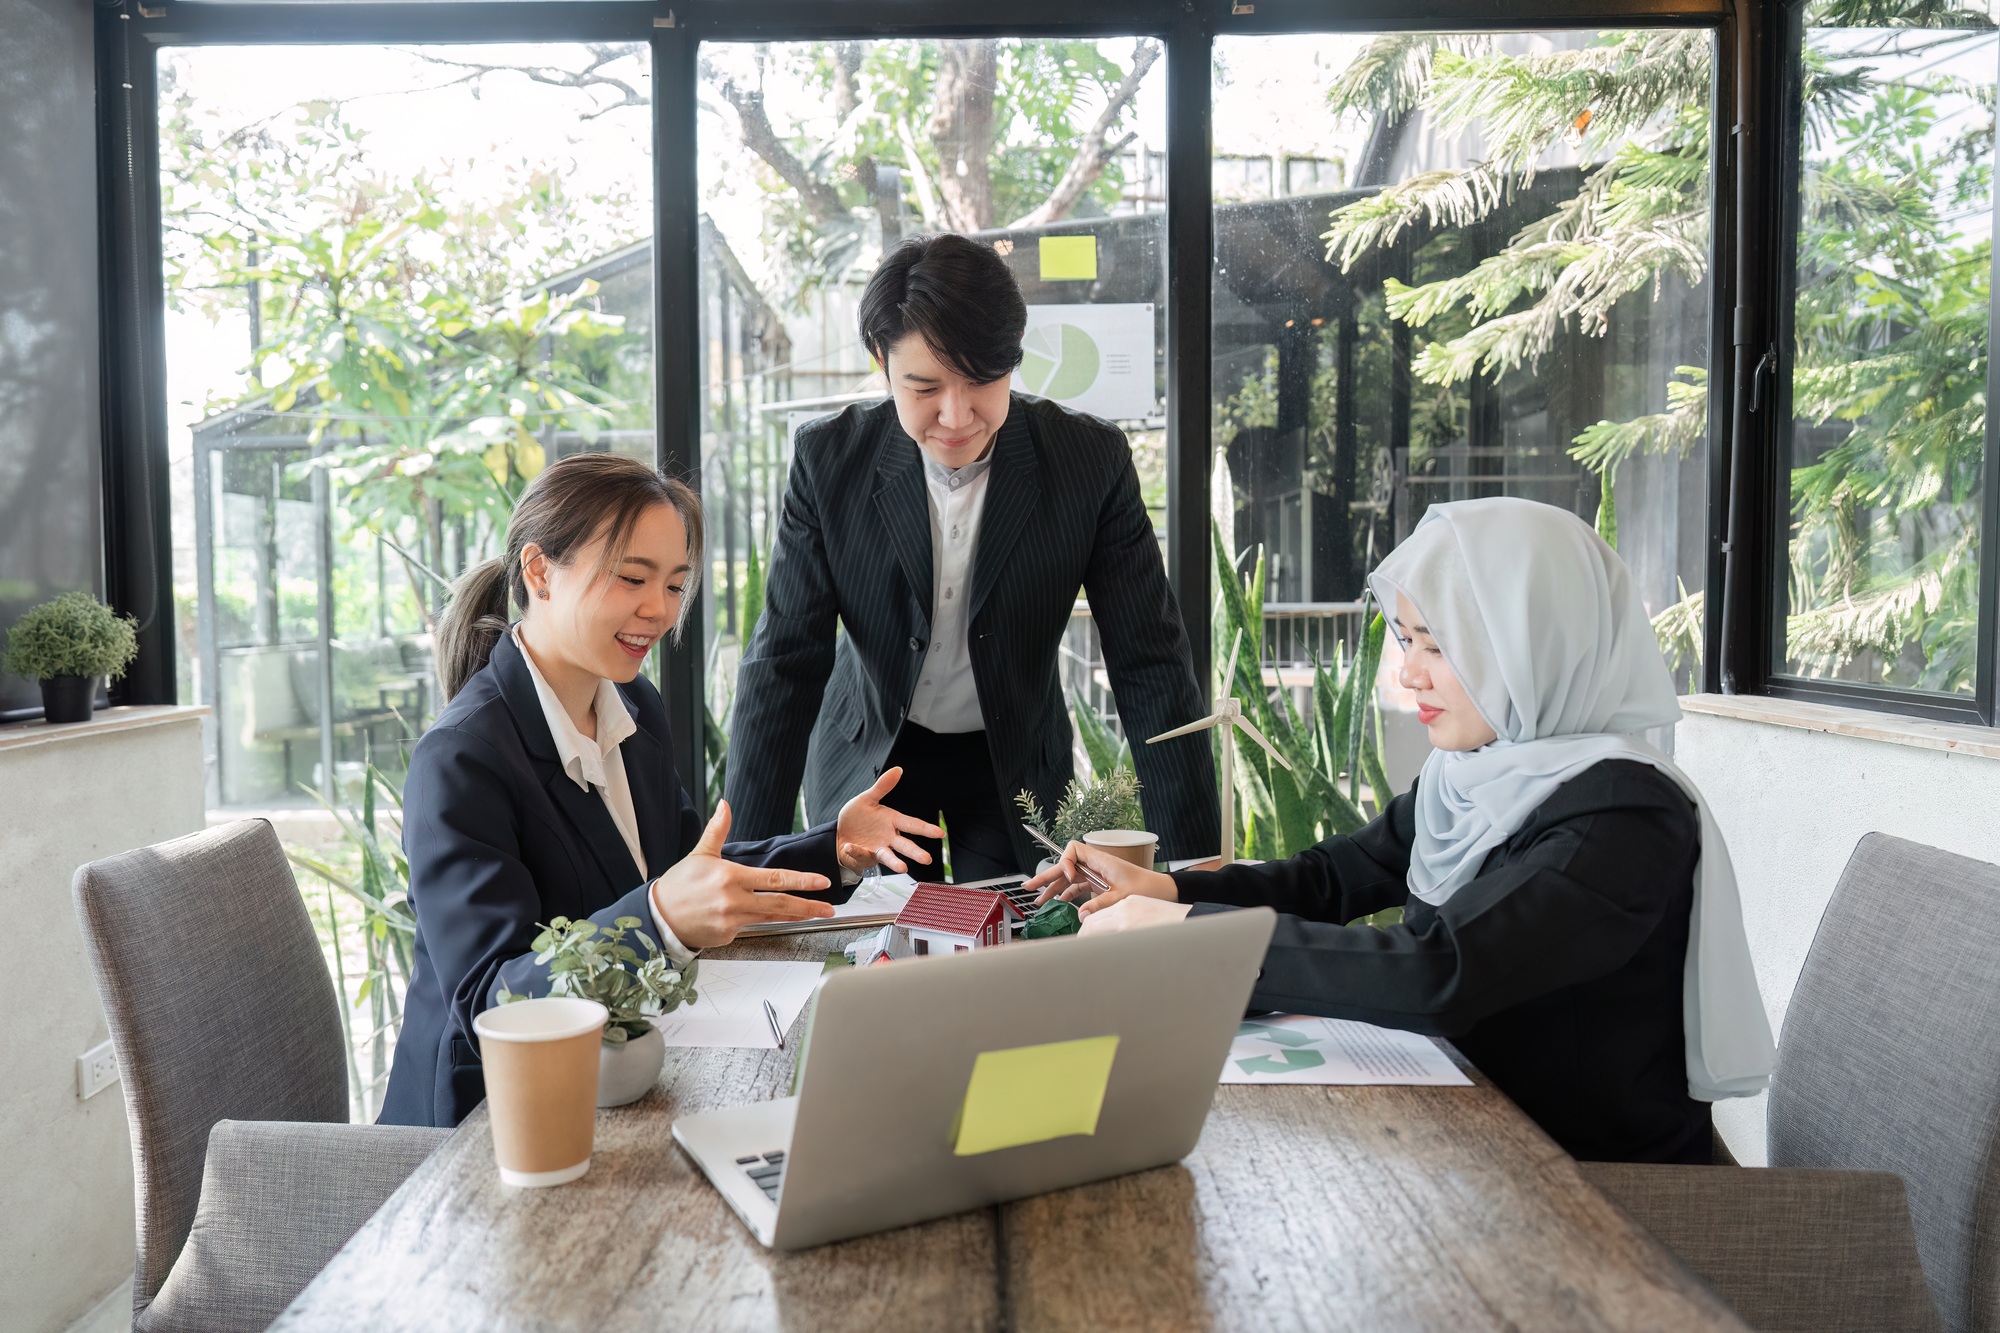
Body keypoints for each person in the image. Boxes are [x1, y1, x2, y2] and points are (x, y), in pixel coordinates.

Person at [1026, 497, 1775, 1164]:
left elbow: (1439, 972)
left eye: (1437, 646)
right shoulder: (1485, 771)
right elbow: (1335, 877)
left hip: (1598, 1193)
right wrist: (1168, 886)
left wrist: (1192, 934)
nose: (1408, 675)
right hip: (1479, 1138)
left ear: (1531, 646)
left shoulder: (1623, 818)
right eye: (1407, 641)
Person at [380, 454, 942, 1128]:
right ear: (539, 571)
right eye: (632, 578)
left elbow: (684, 869)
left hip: (619, 1081)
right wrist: (658, 921)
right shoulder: (461, 758)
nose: (659, 609)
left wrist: (835, 848)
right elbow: (489, 1002)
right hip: (490, 1128)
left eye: (676, 584)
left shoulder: (634, 706)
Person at [725, 233, 1217, 880]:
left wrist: (1193, 869)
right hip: (873, 751)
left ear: (1012, 361)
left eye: (982, 381)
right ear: (881, 362)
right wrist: (743, 867)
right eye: (924, 386)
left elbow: (1148, 661)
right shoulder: (829, 464)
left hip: (1011, 752)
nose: (955, 415)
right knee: (887, 950)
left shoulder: (1089, 464)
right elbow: (785, 662)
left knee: (1014, 942)